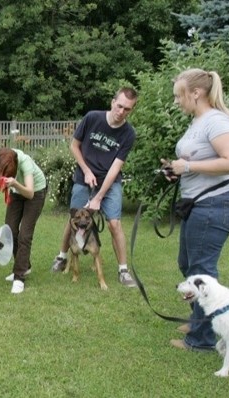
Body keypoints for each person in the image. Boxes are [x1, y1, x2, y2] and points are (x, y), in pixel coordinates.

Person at [162, 68, 229, 352]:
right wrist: (177, 170)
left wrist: (187, 167)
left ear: (196, 93)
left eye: (179, 95)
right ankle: (201, 322)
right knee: (188, 266)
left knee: (202, 271)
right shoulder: (198, 121)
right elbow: (195, 160)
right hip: (200, 204)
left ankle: (203, 340)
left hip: (216, 204)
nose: (176, 101)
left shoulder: (216, 121)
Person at [50, 87, 139, 288]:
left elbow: (115, 168)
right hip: (84, 178)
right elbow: (74, 146)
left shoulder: (128, 134)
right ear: (112, 102)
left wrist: (99, 196)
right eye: (119, 106)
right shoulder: (92, 118)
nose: (121, 112)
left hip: (110, 180)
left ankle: (123, 270)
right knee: (72, 219)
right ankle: (62, 256)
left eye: (127, 109)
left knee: (114, 224)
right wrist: (86, 170)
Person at [0, 148, 47, 294]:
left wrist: (14, 184)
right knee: (10, 231)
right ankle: (25, 266)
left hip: (35, 192)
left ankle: (19, 277)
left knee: (25, 235)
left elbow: (30, 193)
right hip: (16, 193)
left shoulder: (24, 161)